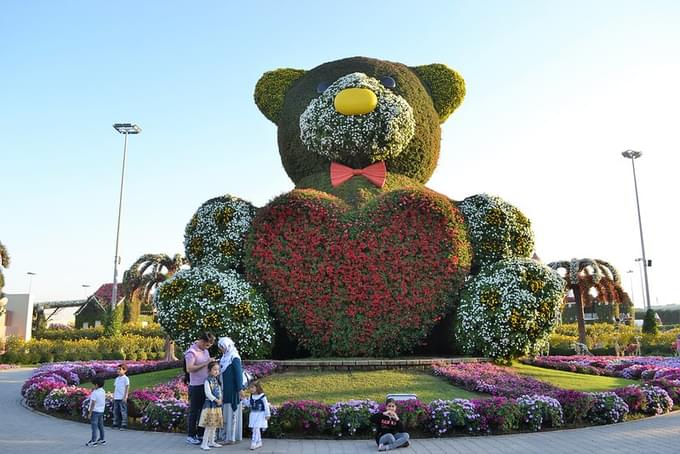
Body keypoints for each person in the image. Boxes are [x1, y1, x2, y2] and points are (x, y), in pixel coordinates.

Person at [185, 331, 216, 445]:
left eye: (209, 346)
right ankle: (191, 435)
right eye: (206, 345)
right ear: (202, 341)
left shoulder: (205, 351)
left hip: (206, 384)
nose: (207, 347)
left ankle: (201, 434)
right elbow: (189, 368)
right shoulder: (191, 352)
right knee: (194, 411)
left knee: (203, 411)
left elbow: (207, 365)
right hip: (196, 386)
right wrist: (206, 362)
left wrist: (212, 364)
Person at [218, 336, 245, 444]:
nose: (221, 350)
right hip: (224, 389)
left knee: (231, 413)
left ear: (228, 346)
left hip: (232, 390)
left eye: (222, 347)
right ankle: (225, 435)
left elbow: (238, 375)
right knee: (226, 412)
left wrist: (240, 389)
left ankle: (230, 437)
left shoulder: (234, 357)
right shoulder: (225, 357)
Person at [199, 361, 224, 450]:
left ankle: (212, 441)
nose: (217, 371)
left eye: (218, 370)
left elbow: (220, 391)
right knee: (209, 425)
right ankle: (204, 443)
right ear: (209, 370)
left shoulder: (216, 380)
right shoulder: (207, 381)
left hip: (217, 405)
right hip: (210, 405)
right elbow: (208, 393)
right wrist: (216, 400)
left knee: (214, 425)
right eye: (214, 370)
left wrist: (220, 398)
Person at [241, 381, 270, 451]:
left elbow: (266, 406)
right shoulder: (251, 396)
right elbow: (248, 404)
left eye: (252, 387)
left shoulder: (262, 396)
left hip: (261, 414)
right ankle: (259, 441)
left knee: (256, 428)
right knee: (255, 428)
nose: (251, 389)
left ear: (257, 388)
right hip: (253, 414)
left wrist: (267, 414)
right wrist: (243, 399)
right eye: (250, 388)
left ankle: (254, 442)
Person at [86, 376, 107, 447]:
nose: (92, 386)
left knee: (94, 427)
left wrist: (90, 413)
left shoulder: (94, 393)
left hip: (94, 412)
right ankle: (102, 439)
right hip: (101, 411)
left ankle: (93, 441)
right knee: (101, 426)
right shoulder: (103, 391)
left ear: (96, 385)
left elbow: (93, 403)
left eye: (93, 384)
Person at [113, 363, 129, 430]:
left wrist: (125, 396)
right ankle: (116, 423)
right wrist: (113, 395)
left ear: (124, 370)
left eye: (120, 369)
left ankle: (124, 424)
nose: (118, 371)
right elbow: (115, 388)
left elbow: (127, 387)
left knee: (123, 411)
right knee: (115, 411)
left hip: (122, 397)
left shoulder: (125, 378)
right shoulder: (117, 379)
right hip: (116, 397)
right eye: (117, 369)